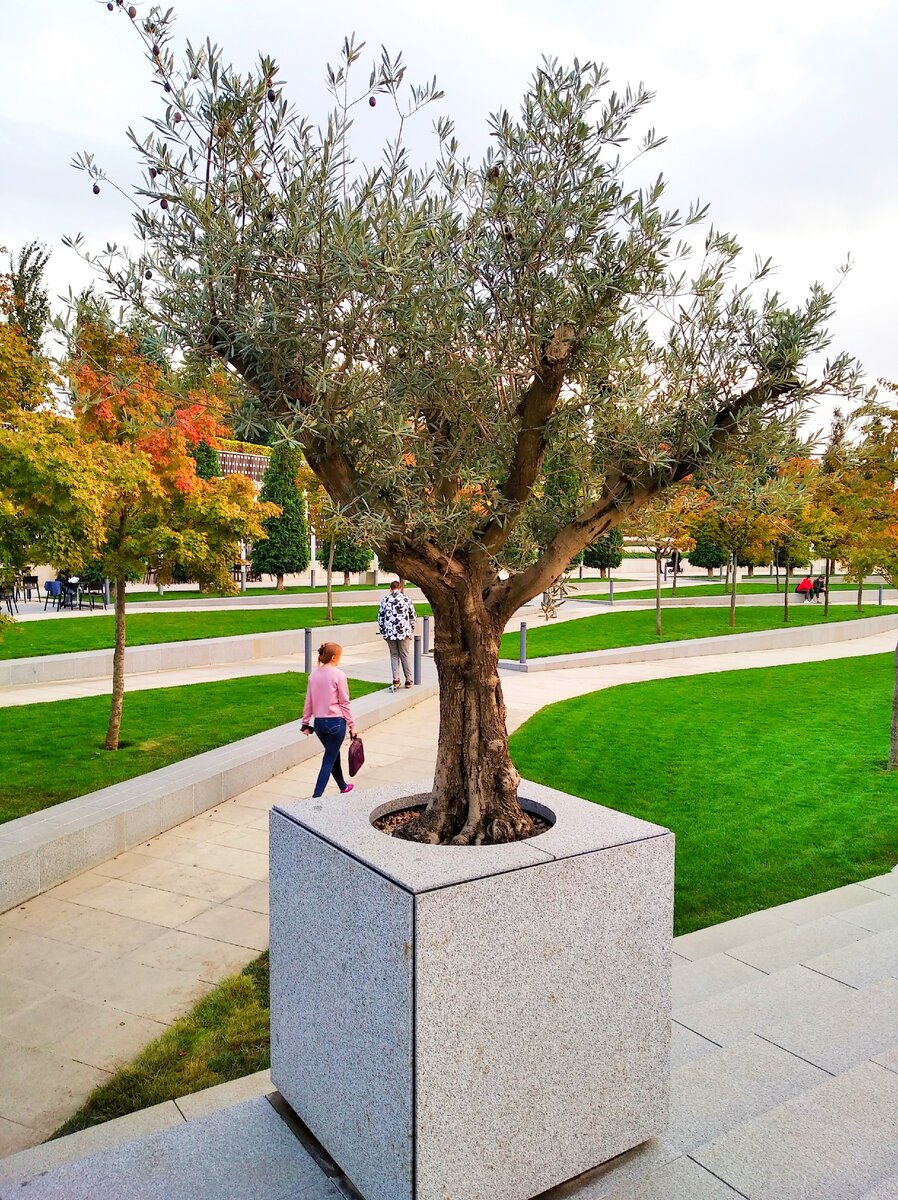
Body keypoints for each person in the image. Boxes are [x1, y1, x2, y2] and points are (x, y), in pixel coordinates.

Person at [301, 642, 356, 797]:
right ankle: (316, 797)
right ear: (333, 657)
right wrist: (352, 726)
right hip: (336, 723)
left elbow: (308, 701)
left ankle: (343, 786)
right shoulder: (339, 675)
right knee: (328, 759)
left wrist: (305, 723)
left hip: (319, 724)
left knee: (333, 754)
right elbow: (344, 702)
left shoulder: (313, 675)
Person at [377, 579, 417, 689]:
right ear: (400, 588)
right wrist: (411, 628)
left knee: (394, 654)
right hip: (404, 631)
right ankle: (408, 680)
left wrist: (383, 630)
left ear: (390, 589)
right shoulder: (406, 599)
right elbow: (413, 616)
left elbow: (380, 616)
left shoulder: (385, 600)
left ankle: (395, 679)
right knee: (405, 654)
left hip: (390, 632)